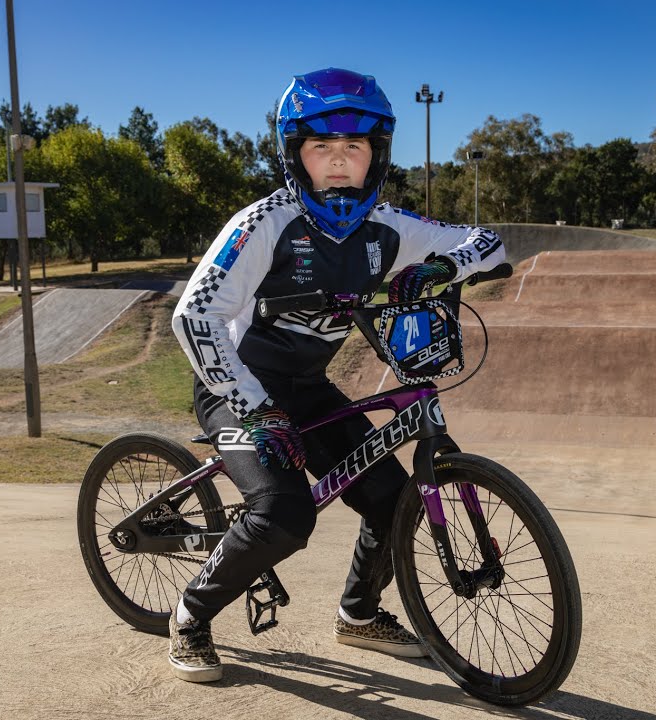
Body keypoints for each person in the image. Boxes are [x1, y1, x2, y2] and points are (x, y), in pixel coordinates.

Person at [168, 67, 506, 682]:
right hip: (237, 389)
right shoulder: (262, 225)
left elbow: (488, 241)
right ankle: (190, 615)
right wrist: (253, 406)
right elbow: (194, 318)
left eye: (355, 147)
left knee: (392, 499)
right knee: (283, 515)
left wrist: (440, 270)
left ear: (377, 154)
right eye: (321, 147)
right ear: (296, 154)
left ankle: (358, 614)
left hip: (308, 389)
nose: (340, 163)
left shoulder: (388, 227)